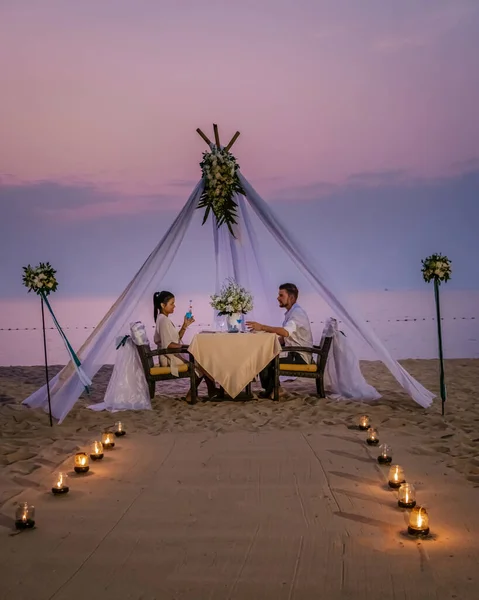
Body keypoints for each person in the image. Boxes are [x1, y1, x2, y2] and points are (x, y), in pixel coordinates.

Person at [246, 283, 313, 398]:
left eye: (281, 295)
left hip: (299, 356)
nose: (278, 298)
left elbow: (286, 332)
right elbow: (286, 337)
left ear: (291, 298)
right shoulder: (291, 312)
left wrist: (262, 327)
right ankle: (272, 389)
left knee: (264, 359)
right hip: (294, 353)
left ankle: (275, 389)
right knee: (264, 354)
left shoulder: (297, 313)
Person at [153, 291, 217, 402]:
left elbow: (175, 339)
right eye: (172, 303)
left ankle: (209, 389)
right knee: (200, 362)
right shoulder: (163, 321)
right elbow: (167, 344)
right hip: (169, 358)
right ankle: (212, 388)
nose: (174, 306)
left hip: (172, 354)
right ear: (163, 305)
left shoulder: (164, 319)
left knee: (200, 361)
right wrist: (187, 346)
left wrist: (184, 326)